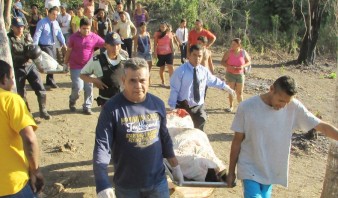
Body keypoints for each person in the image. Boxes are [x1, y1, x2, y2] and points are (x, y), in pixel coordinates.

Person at [227, 75, 338, 198]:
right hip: (249, 168)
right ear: (271, 89)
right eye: (280, 100)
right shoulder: (247, 107)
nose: (283, 105)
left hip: (270, 170)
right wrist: (231, 172)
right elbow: (237, 141)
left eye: (287, 102)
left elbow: (322, 126)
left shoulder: (294, 107)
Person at [93, 57, 184, 198]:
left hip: (157, 183)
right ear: (123, 81)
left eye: (142, 80)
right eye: (132, 80)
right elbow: (102, 147)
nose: (138, 86)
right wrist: (102, 182)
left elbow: (164, 139)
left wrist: (175, 166)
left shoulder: (157, 105)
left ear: (149, 80)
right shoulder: (111, 109)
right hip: (127, 186)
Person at [0, 60, 44, 197]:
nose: (13, 82)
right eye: (12, 78)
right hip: (12, 183)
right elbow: (29, 139)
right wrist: (35, 170)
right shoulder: (10, 100)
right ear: (4, 78)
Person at [168, 45, 235, 131]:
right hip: (183, 107)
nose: (197, 58)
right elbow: (174, 90)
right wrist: (172, 108)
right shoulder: (180, 71)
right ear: (189, 55)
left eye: (199, 56)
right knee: (184, 131)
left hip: (199, 106)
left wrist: (226, 87)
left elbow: (214, 80)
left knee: (200, 126)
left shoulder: (204, 71)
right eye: (194, 55)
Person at [8, 17, 51, 120]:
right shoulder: (8, 39)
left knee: (40, 88)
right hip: (17, 68)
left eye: (22, 26)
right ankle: (27, 114)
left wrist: (39, 66)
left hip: (30, 65)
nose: (20, 29)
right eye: (17, 27)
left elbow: (34, 51)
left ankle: (43, 110)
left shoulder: (27, 36)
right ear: (12, 27)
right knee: (21, 93)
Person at [64, 18, 105, 115]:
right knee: (78, 87)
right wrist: (65, 63)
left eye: (88, 28)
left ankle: (87, 106)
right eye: (84, 28)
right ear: (80, 28)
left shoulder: (94, 37)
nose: (86, 31)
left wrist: (118, 48)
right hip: (75, 66)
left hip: (88, 67)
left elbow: (105, 44)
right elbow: (69, 50)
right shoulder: (73, 37)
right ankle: (72, 100)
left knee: (89, 87)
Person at [80, 32, 129, 106]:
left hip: (123, 100)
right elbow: (82, 75)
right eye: (112, 45)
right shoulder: (97, 60)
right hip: (106, 102)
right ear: (105, 45)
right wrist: (94, 80)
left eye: (118, 44)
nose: (115, 48)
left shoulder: (125, 60)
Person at [33, 6, 66, 88]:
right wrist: (35, 46)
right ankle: (51, 80)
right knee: (51, 62)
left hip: (53, 45)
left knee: (53, 62)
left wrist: (64, 44)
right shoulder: (42, 22)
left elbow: (59, 34)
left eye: (56, 15)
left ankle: (49, 79)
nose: (55, 16)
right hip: (44, 46)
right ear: (49, 13)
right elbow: (37, 34)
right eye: (53, 14)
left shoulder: (56, 23)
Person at [221, 38, 251, 112]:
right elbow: (222, 62)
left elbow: (249, 62)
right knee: (231, 90)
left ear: (239, 45)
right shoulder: (228, 52)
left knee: (240, 92)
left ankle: (241, 108)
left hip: (240, 74)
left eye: (234, 44)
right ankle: (231, 106)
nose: (232, 45)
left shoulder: (243, 52)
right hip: (230, 74)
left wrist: (242, 66)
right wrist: (229, 66)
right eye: (232, 44)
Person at [153, 22, 175, 86]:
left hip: (169, 53)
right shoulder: (157, 34)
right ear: (159, 27)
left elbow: (171, 43)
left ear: (166, 27)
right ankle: (163, 81)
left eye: (164, 27)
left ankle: (172, 83)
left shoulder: (169, 34)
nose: (162, 28)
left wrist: (173, 52)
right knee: (162, 68)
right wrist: (155, 52)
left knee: (171, 67)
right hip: (160, 53)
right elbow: (155, 44)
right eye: (161, 27)